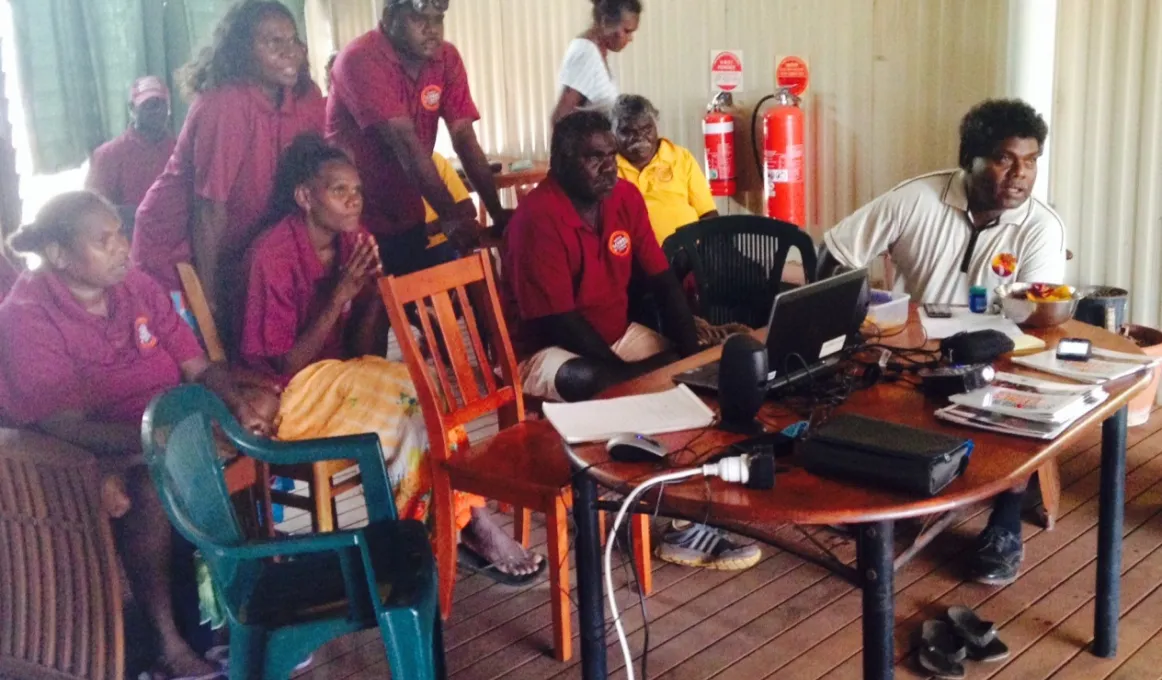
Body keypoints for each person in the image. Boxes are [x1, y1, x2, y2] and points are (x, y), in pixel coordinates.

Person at [0, 192, 281, 680]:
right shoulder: (26, 316)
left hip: (170, 428)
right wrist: (156, 440)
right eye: (103, 240)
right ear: (60, 256)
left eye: (120, 234)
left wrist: (233, 407)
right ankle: (166, 643)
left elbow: (196, 365)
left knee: (257, 416)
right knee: (151, 490)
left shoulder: (136, 285)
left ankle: (246, 614)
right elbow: (59, 425)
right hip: (81, 454)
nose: (121, 248)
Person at [239, 133, 543, 582]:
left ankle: (454, 519)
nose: (353, 201)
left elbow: (363, 351)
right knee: (401, 414)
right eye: (338, 191)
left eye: (357, 190)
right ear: (305, 196)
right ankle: (446, 525)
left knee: (422, 392)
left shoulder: (354, 240)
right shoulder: (273, 254)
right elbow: (283, 364)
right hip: (286, 393)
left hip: (340, 376)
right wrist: (342, 291)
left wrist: (373, 298)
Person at [819, 99, 1066, 585]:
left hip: (1000, 356)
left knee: (1020, 391)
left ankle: (1005, 522)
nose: (1021, 174)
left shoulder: (1040, 227)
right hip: (917, 350)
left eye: (1031, 160)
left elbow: (1038, 324)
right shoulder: (915, 199)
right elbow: (834, 254)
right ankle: (895, 500)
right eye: (1004, 159)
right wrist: (844, 328)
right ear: (969, 159)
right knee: (853, 382)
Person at [503, 110, 761, 570]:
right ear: (561, 161)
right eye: (593, 158)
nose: (608, 167)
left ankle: (688, 516)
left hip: (614, 335)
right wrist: (629, 381)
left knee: (696, 377)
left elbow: (662, 281)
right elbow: (558, 320)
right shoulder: (537, 218)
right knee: (607, 383)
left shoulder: (624, 196)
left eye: (611, 156)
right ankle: (624, 497)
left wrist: (691, 353)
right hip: (541, 350)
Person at [131, 1, 325, 340]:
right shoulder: (224, 103)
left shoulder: (304, 97)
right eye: (273, 42)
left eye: (293, 40)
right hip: (176, 246)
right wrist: (209, 298)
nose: (289, 52)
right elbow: (209, 209)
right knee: (200, 350)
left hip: (239, 241)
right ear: (242, 50)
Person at [327, 0, 509, 278]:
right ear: (389, 16)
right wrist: (450, 216)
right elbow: (405, 144)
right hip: (355, 218)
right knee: (372, 312)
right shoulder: (361, 58)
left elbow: (463, 137)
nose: (432, 29)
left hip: (406, 213)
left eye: (438, 19)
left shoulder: (446, 58)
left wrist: (497, 213)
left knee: (411, 307)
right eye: (419, 19)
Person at [612, 94, 719, 244]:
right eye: (628, 132)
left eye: (646, 129)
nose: (639, 137)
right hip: (630, 260)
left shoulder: (681, 157)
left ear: (656, 128)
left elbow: (708, 213)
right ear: (613, 134)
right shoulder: (608, 166)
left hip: (690, 256)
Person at [85, 76, 177, 210]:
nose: (156, 111)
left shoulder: (179, 150)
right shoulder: (108, 155)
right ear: (132, 108)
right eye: (148, 105)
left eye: (160, 104)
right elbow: (94, 210)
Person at [551, 0, 641, 124]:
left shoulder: (596, 53)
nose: (630, 38)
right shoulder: (585, 53)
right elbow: (560, 118)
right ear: (605, 22)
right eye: (626, 31)